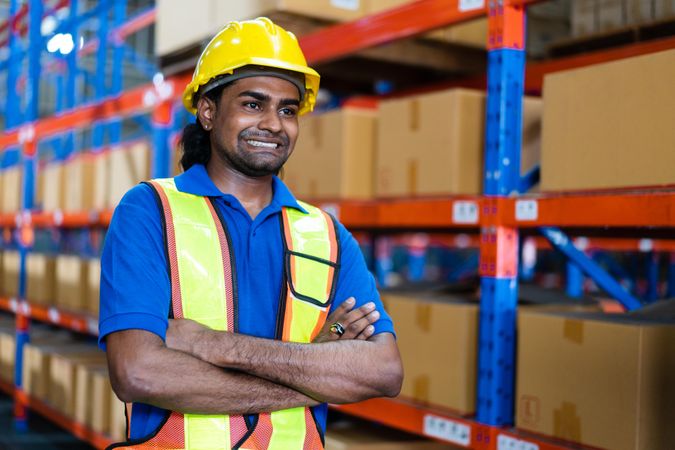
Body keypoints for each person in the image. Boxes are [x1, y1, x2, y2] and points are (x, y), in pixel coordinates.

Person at [99, 17, 402, 450]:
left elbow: (384, 372)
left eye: (288, 110)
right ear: (208, 110)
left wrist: (210, 344)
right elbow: (138, 372)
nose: (274, 125)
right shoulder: (150, 211)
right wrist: (316, 369)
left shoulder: (325, 233)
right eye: (253, 104)